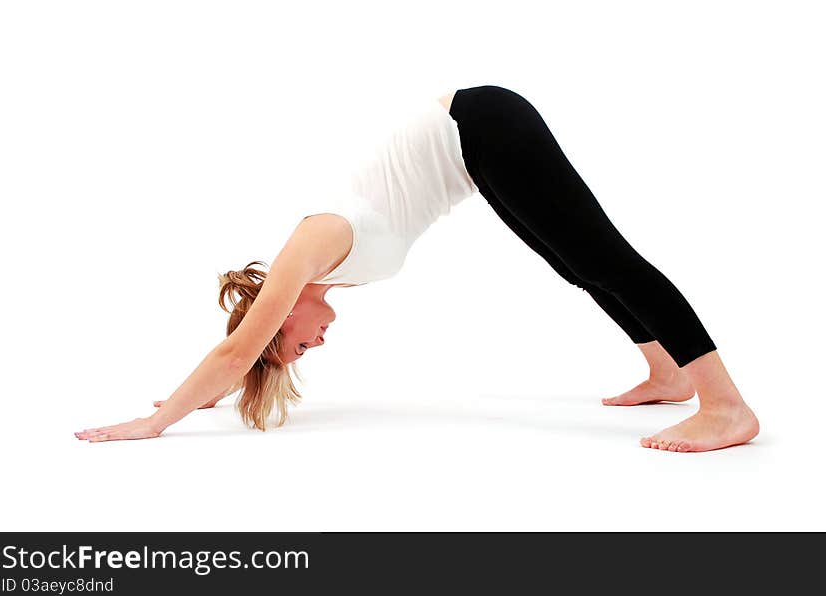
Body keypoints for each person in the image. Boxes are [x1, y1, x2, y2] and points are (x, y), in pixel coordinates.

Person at [75, 84, 759, 452]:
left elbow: (235, 350)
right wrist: (197, 397)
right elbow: (236, 362)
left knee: (611, 261)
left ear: (275, 316)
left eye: (295, 343)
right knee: (576, 265)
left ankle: (726, 407)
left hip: (482, 125)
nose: (316, 344)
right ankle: (667, 374)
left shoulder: (311, 245)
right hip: (477, 155)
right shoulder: (322, 274)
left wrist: (156, 421)